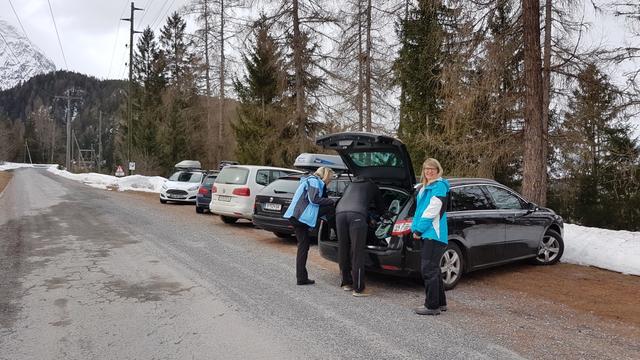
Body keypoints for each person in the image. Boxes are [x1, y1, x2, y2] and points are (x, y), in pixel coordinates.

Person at [284, 166, 335, 285]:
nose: (330, 181)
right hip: (301, 217)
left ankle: (301, 278)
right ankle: (334, 232)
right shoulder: (314, 181)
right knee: (330, 207)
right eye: (330, 178)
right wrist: (331, 201)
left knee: (303, 246)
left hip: (295, 217)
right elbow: (314, 199)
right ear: (325, 176)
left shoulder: (309, 180)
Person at [411, 158, 450, 315]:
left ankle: (431, 306)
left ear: (438, 170)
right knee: (433, 269)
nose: (429, 171)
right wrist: (415, 227)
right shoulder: (425, 187)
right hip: (429, 233)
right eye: (426, 168)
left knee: (428, 269)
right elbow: (420, 210)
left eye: (432, 168)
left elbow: (432, 210)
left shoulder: (439, 186)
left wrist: (418, 230)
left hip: (434, 233)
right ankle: (440, 303)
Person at [335, 175, 384, 297]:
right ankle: (358, 288)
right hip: (357, 215)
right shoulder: (372, 185)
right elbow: (381, 208)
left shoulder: (350, 185)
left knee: (343, 247)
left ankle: (346, 283)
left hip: (339, 213)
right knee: (357, 251)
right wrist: (381, 215)